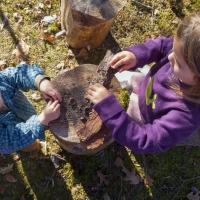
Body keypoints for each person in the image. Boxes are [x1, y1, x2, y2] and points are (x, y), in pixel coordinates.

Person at [86, 13, 200, 154]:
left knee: (124, 123)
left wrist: (108, 108)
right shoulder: (185, 51)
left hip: (147, 117)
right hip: (148, 88)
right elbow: (163, 46)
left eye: (179, 63)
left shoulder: (186, 115)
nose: (169, 57)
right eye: (174, 51)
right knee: (129, 78)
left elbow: (145, 141)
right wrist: (137, 55)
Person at [0, 63, 62, 154]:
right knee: (30, 144)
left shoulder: (2, 80)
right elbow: (9, 141)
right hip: (19, 138)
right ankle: (32, 147)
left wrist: (40, 82)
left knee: (31, 116)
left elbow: (21, 73)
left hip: (26, 112)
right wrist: (42, 120)